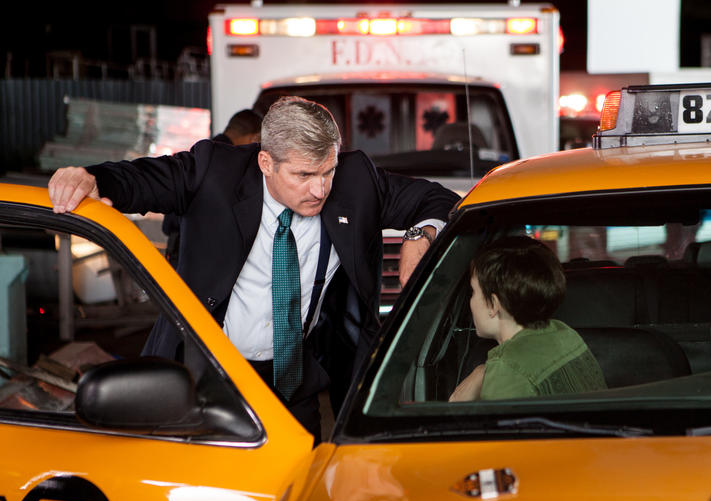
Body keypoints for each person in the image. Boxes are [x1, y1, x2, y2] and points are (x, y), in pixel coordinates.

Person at [48, 96, 460, 441]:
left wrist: (418, 237)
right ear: (265, 162)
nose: (320, 189)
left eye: (327, 171)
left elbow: (438, 200)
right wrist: (91, 179)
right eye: (304, 175)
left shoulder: (356, 180)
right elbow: (142, 179)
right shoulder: (214, 172)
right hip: (207, 379)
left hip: (295, 385)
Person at [449, 236, 607, 401]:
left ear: (494, 304)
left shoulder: (508, 369)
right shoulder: (565, 333)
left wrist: (455, 406)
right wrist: (483, 370)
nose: (471, 301)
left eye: (473, 291)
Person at [162, 109, 264, 266]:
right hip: (200, 257)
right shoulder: (231, 166)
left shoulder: (200, 154)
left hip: (177, 250)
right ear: (255, 138)